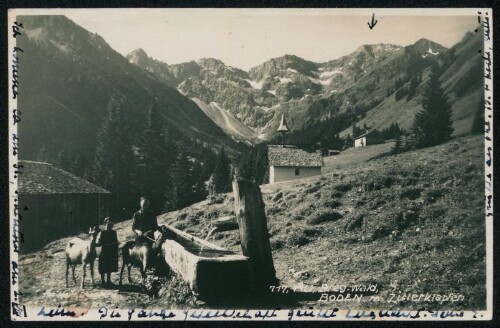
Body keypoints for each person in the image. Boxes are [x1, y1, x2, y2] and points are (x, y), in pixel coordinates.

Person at [96, 217, 119, 287]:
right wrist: (101, 244)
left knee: (110, 266)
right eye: (108, 223)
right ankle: (103, 281)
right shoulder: (102, 232)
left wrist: (117, 243)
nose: (110, 225)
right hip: (104, 252)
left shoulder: (113, 232)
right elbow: (98, 242)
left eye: (111, 223)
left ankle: (108, 281)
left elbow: (115, 241)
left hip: (111, 251)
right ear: (105, 223)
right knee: (103, 267)